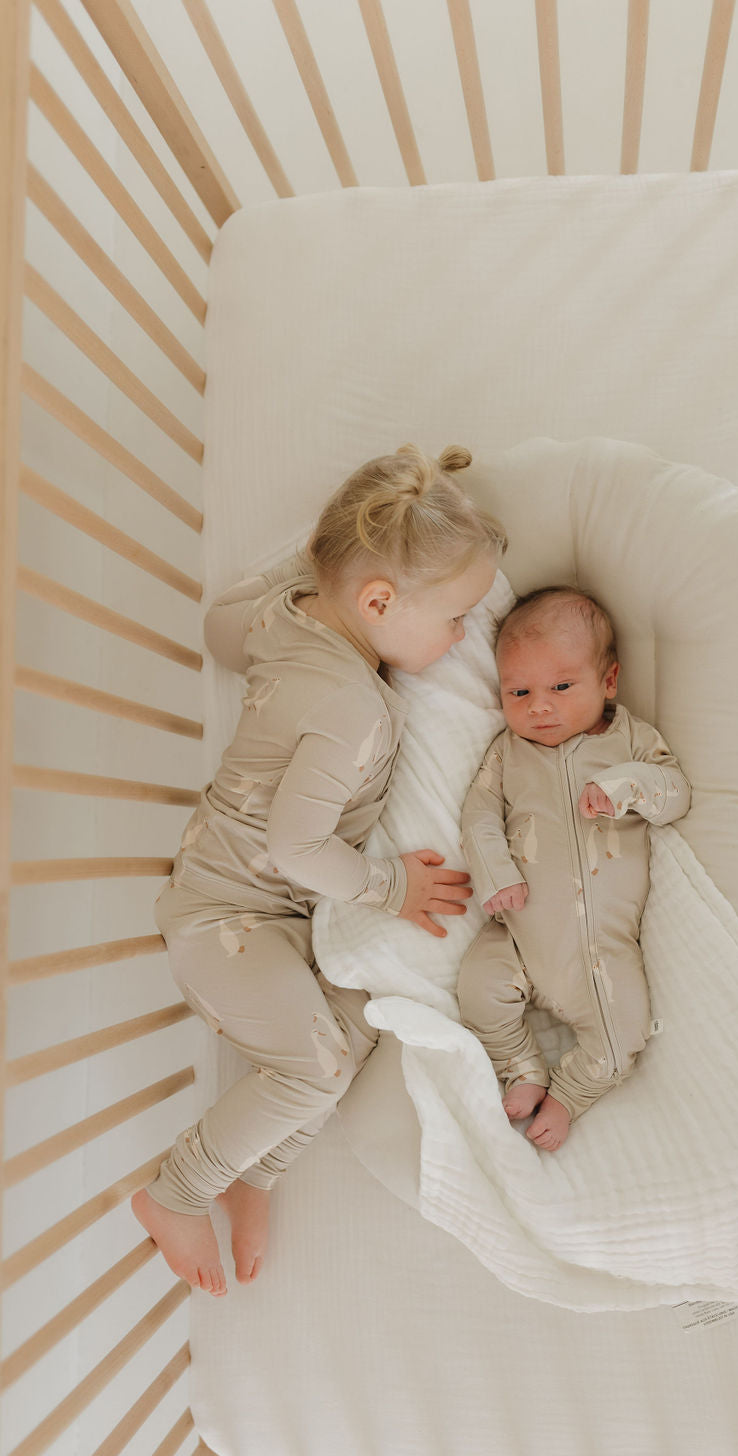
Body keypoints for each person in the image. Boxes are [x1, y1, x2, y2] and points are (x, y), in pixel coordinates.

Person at [133, 445, 506, 1294]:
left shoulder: (287, 618)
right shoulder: (351, 709)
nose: (460, 639)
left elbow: (217, 626)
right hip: (225, 924)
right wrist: (394, 887)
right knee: (317, 1067)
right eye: (454, 619)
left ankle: (257, 1172)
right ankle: (178, 1192)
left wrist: (322, 559)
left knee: (365, 1019)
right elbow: (297, 849)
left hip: (265, 919)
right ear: (377, 600)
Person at [456, 585, 691, 1152]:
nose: (540, 705)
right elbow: (478, 815)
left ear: (608, 682)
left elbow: (675, 791)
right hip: (517, 932)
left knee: (623, 1034)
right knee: (476, 988)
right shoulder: (507, 754)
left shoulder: (630, 738)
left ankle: (567, 1094)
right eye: (520, 691)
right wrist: (497, 873)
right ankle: (522, 1067)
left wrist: (624, 787)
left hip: (598, 952)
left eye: (561, 686)